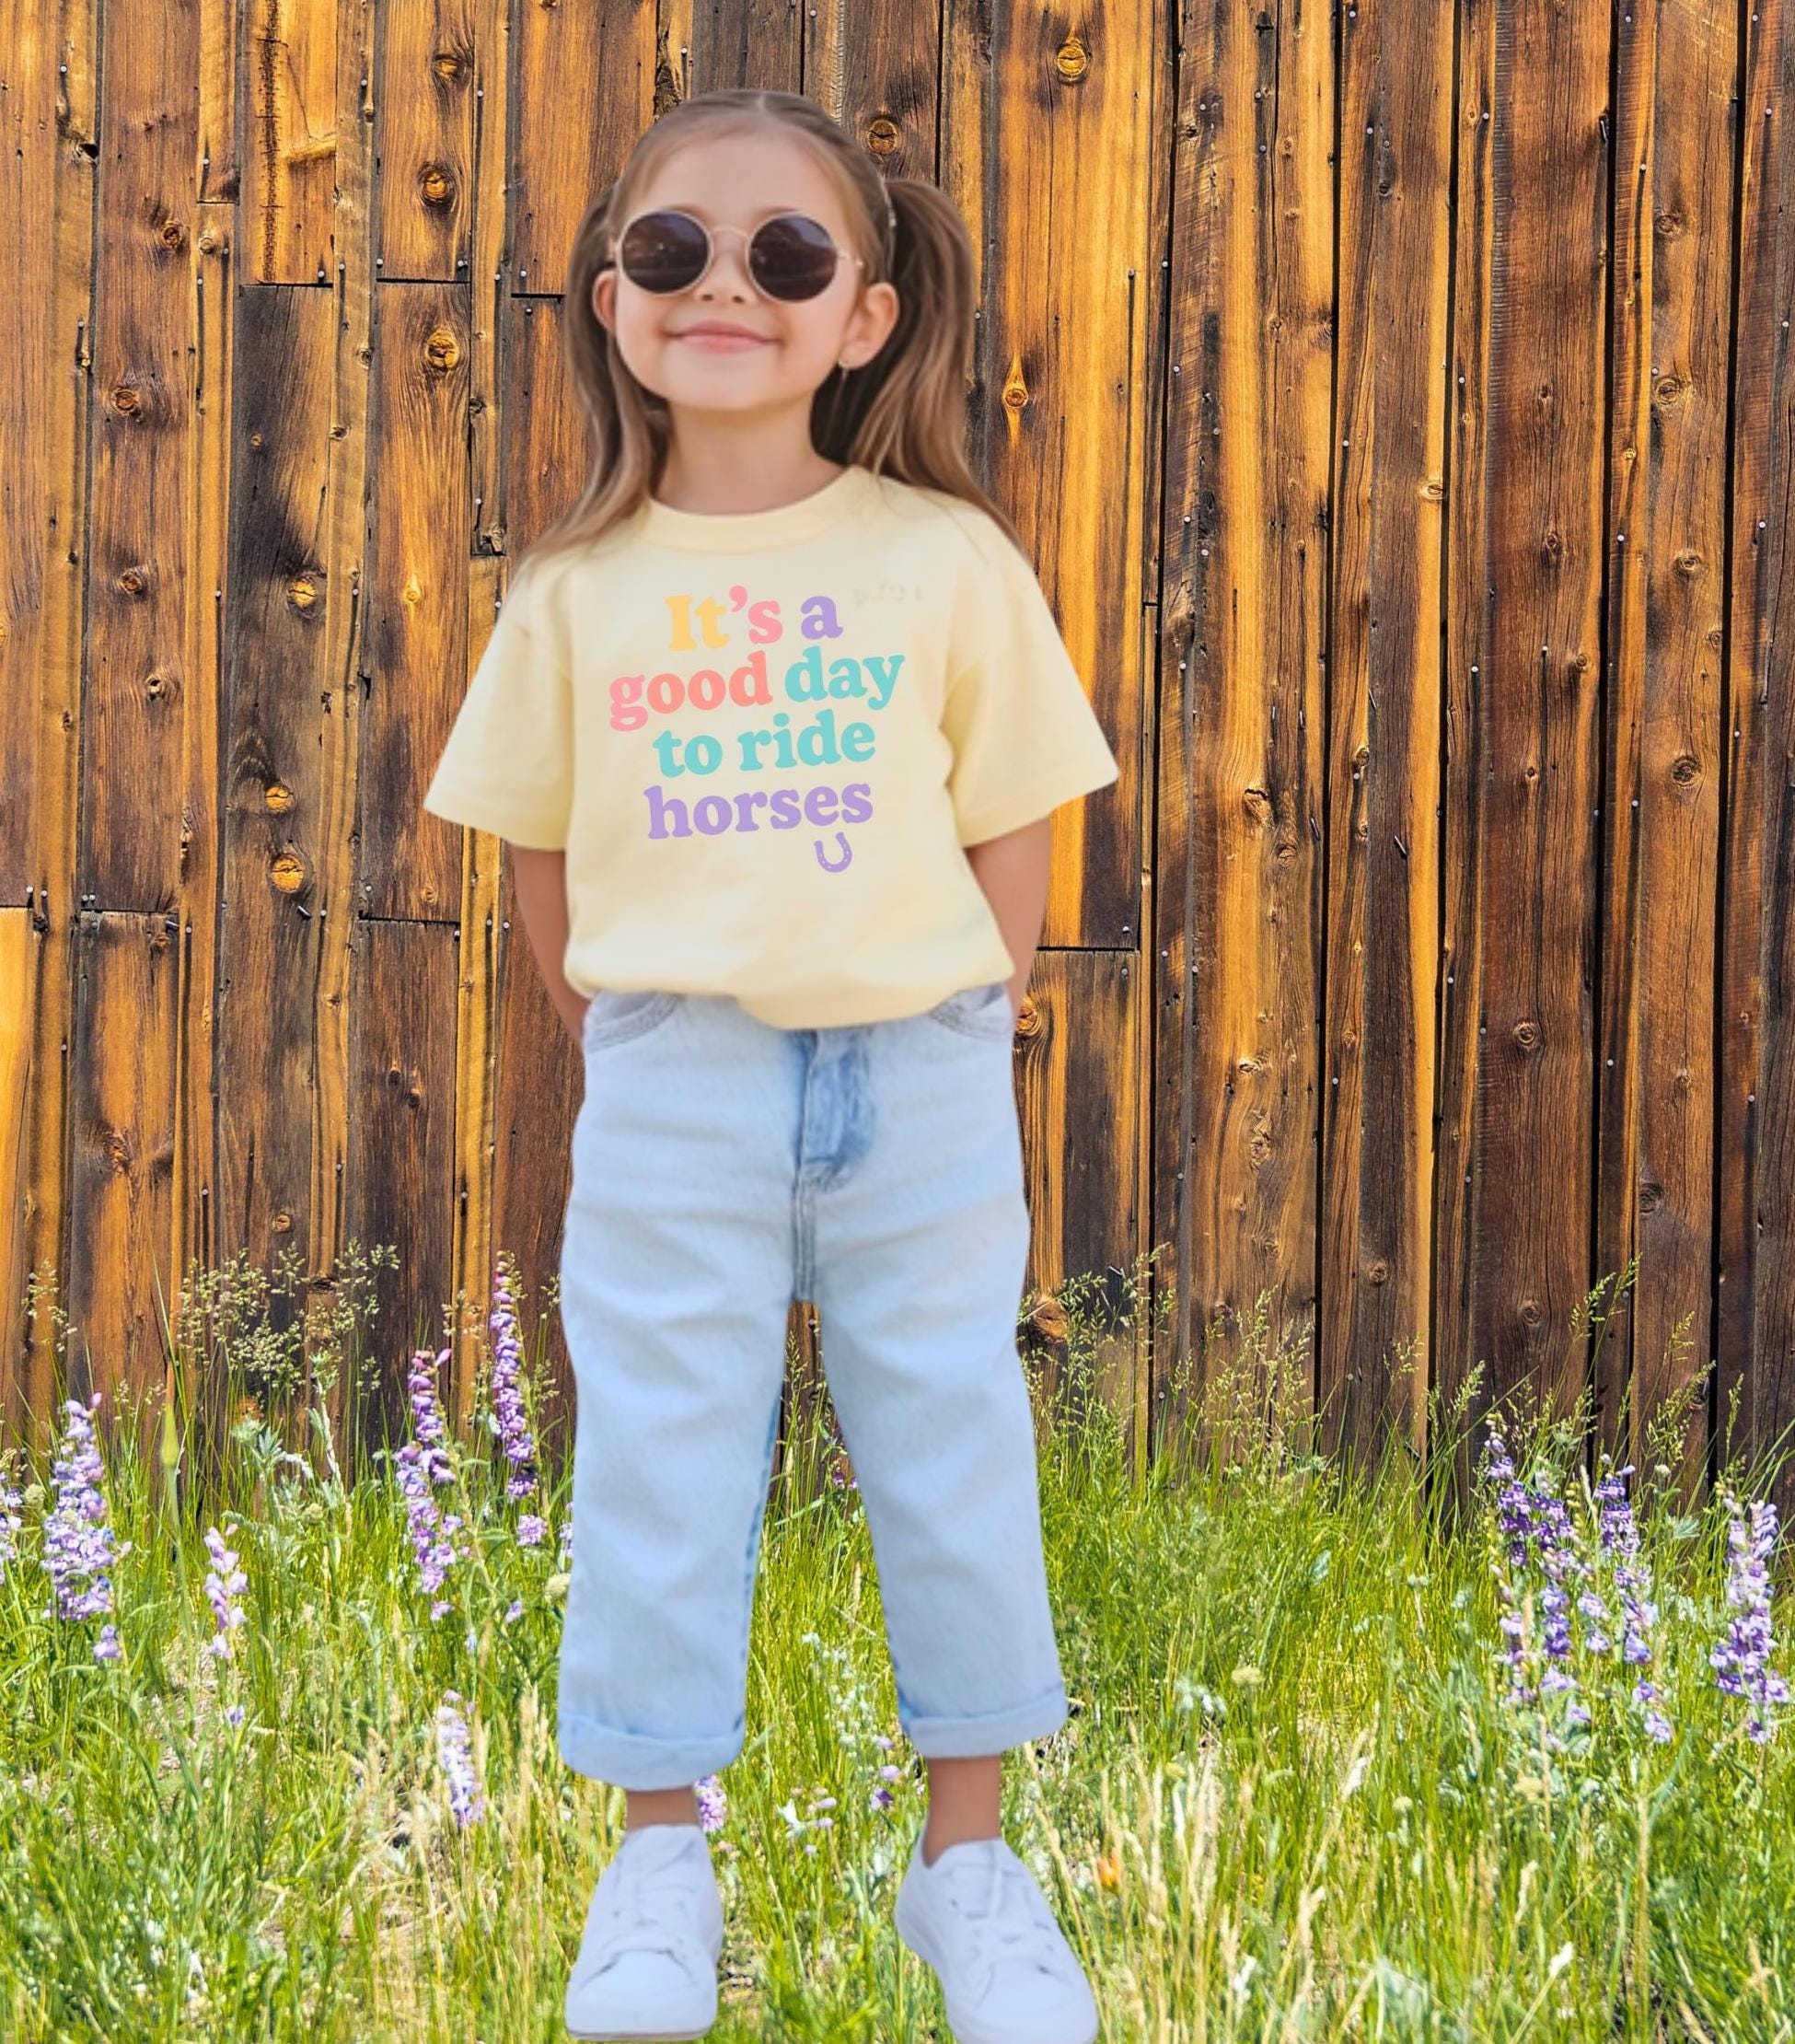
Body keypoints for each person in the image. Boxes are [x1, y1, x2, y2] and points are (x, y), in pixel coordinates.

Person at [422, 84, 1118, 2044]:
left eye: (784, 253)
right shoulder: (574, 590)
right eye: (674, 249)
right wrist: (631, 1032)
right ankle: (660, 1863)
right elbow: (539, 854)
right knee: (659, 1461)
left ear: (863, 316)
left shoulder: (945, 559)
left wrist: (966, 1001)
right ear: (611, 298)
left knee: (952, 1452)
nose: (723, 283)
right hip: (679, 1086)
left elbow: (1015, 811)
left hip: (918, 1081)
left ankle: (967, 1868)